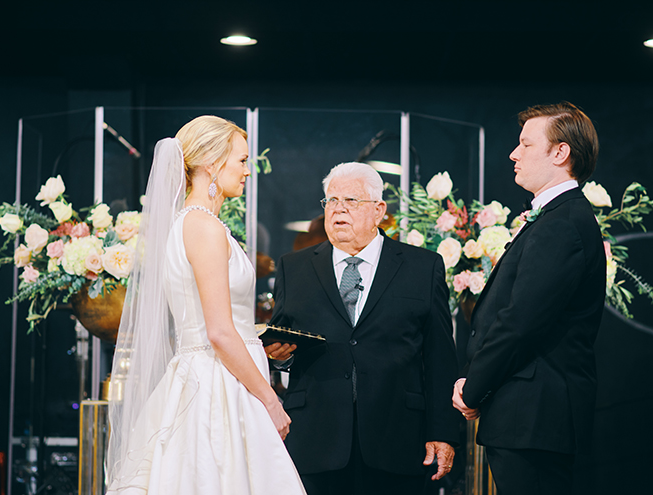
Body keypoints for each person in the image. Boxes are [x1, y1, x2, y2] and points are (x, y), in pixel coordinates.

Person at [105, 116, 306, 494]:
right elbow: (218, 331)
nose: (248, 171)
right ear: (213, 163)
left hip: (219, 374)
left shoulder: (194, 224)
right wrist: (270, 399)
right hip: (218, 386)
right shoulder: (203, 228)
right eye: (242, 161)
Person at [266, 162, 459, 495]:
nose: (338, 209)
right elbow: (282, 344)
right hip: (316, 440)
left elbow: (440, 357)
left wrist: (442, 431)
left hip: (398, 438)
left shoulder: (422, 267)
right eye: (331, 201)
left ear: (379, 210)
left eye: (351, 201)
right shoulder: (292, 267)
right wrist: (279, 358)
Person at [452, 102, 606, 495]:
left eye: (525, 144)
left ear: (560, 153)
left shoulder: (562, 224)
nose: (513, 154)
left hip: (536, 417)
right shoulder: (558, 218)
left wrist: (473, 388)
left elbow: (521, 322)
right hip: (530, 417)